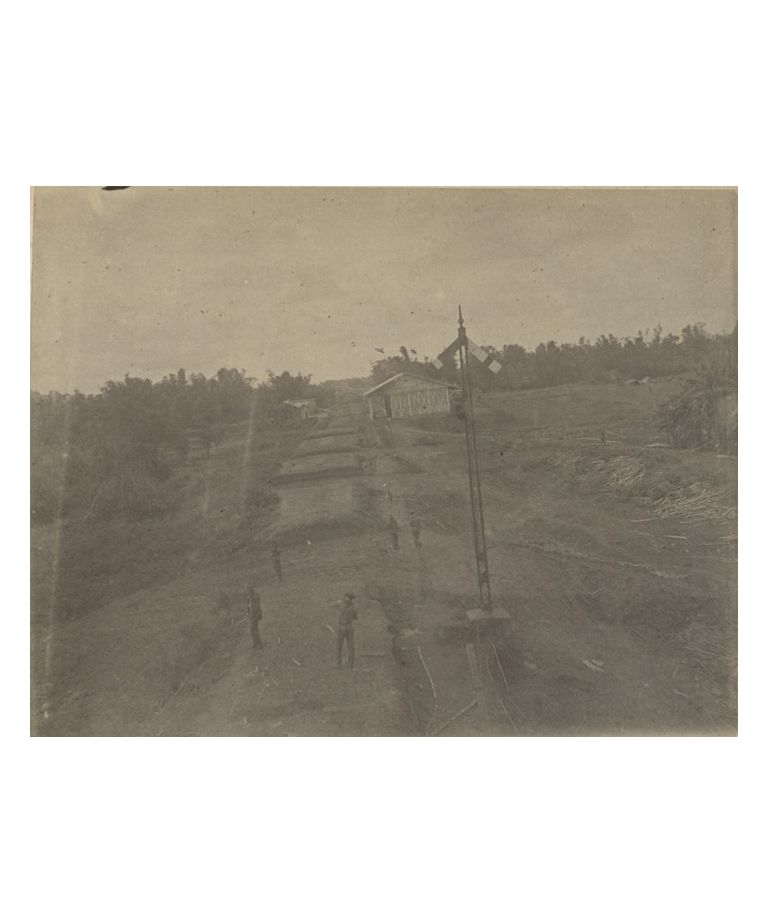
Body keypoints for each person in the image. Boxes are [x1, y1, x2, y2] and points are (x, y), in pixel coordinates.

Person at [336, 592, 357, 668]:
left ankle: (338, 664)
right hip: (349, 627)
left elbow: (331, 605)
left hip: (341, 627)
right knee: (351, 646)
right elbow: (356, 617)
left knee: (339, 646)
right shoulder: (353, 607)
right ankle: (351, 664)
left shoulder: (340, 604)